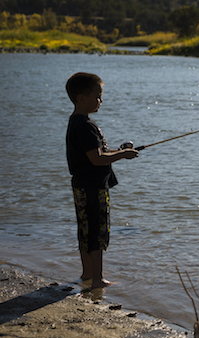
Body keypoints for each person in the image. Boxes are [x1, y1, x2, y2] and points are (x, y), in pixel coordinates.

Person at [65, 72, 138, 289]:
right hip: (93, 187)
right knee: (97, 230)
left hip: (81, 185)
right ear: (81, 98)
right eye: (97, 96)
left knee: (85, 229)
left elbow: (98, 153)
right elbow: (97, 159)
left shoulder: (76, 122)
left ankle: (87, 274)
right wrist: (123, 155)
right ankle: (97, 279)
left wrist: (119, 151)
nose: (101, 101)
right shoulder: (86, 126)